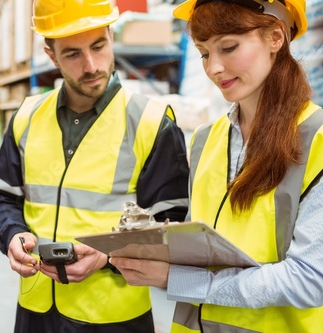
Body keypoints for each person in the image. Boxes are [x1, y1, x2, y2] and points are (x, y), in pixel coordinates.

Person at [110, 0, 323, 331]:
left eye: (229, 47)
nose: (213, 69)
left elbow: (310, 279)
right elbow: (204, 247)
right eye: (204, 53)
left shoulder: (317, 139)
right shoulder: (204, 140)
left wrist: (177, 279)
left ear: (276, 37)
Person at [0, 0, 189, 331]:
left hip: (113, 316)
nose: (91, 65)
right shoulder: (27, 117)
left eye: (98, 46)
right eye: (72, 54)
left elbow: (172, 225)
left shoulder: (152, 123)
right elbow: (1, 197)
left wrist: (107, 256)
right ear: (51, 55)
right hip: (36, 308)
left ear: (111, 35)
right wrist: (13, 233)